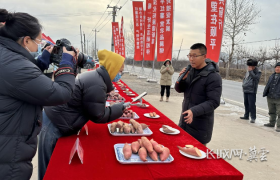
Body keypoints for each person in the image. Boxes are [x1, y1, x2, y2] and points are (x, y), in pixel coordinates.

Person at [0, 9, 79, 180]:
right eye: (39, 41)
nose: (40, 45)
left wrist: (41, 61)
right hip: (8, 155)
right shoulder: (14, 64)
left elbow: (24, 81)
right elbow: (61, 93)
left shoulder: (7, 55)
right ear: (26, 40)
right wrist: (67, 64)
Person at [38, 49, 127, 180]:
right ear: (112, 68)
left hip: (56, 118)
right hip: (54, 123)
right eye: (120, 71)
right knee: (49, 168)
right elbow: (98, 115)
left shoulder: (97, 78)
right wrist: (119, 109)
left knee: (52, 164)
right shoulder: (97, 83)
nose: (120, 74)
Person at [175, 43, 222, 146]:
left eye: (195, 56)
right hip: (185, 121)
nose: (191, 59)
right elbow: (179, 89)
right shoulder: (190, 70)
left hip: (200, 125)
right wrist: (182, 79)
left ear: (204, 56)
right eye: (189, 55)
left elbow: (213, 102)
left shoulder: (213, 77)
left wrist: (193, 111)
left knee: (196, 156)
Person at [240, 59, 261, 123]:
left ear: (253, 66)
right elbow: (245, 79)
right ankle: (246, 115)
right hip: (246, 89)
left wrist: (251, 71)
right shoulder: (247, 71)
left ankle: (253, 117)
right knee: (246, 103)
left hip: (252, 90)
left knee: (251, 104)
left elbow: (255, 78)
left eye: (250, 66)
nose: (249, 67)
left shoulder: (258, 72)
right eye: (248, 66)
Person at [263, 62, 280, 132]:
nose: (277, 68)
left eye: (279, 67)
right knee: (271, 111)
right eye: (276, 67)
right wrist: (265, 93)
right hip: (270, 96)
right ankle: (272, 123)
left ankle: (279, 126)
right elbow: (268, 85)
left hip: (278, 97)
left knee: (279, 112)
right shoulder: (272, 76)